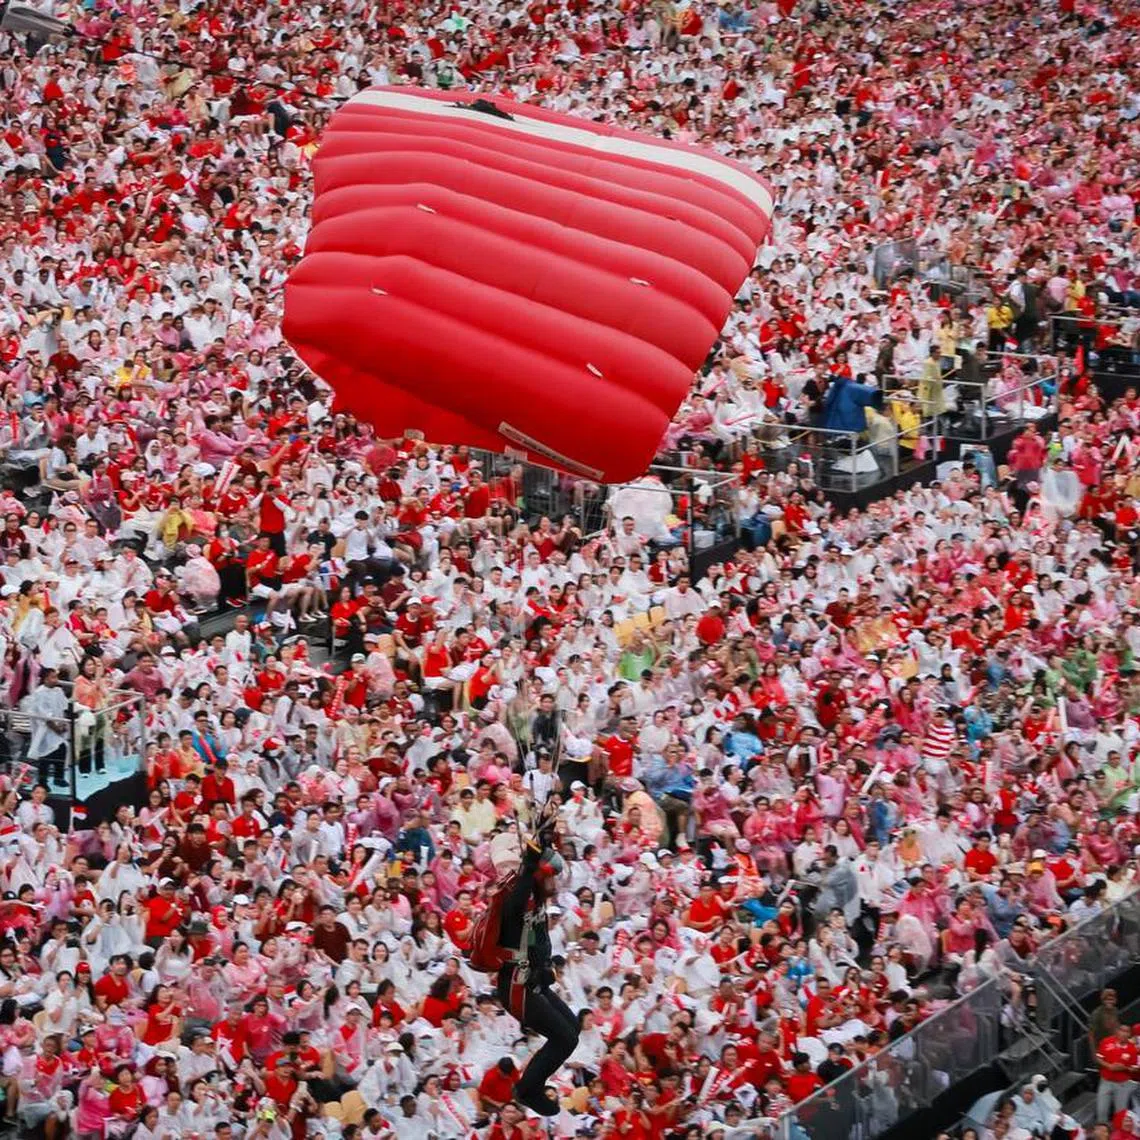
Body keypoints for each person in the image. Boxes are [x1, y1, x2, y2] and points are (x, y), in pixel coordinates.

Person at [496, 827, 579, 1116]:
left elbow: (538, 941)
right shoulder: (516, 899)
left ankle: (533, 1083)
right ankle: (527, 1089)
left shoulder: (536, 900)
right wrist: (530, 861)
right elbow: (516, 903)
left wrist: (543, 842)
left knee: (573, 1029)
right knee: (565, 1039)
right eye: (551, 877)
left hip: (532, 981)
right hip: (516, 985)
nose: (555, 883)